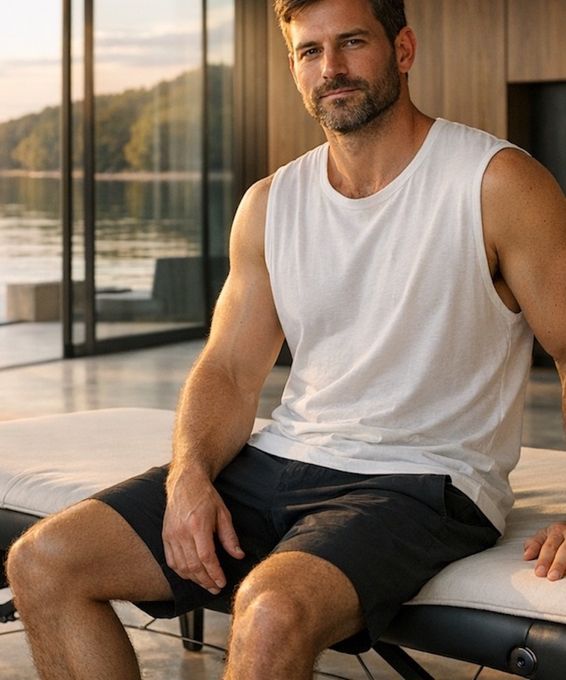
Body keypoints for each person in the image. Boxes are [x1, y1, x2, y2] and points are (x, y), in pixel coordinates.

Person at [6, 0, 566, 678]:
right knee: (44, 561)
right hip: (280, 459)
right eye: (309, 50)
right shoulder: (272, 202)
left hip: (425, 480)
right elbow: (228, 368)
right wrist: (188, 476)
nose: (331, 68)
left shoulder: (496, 182)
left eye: (352, 42)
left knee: (270, 611)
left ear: (404, 50)